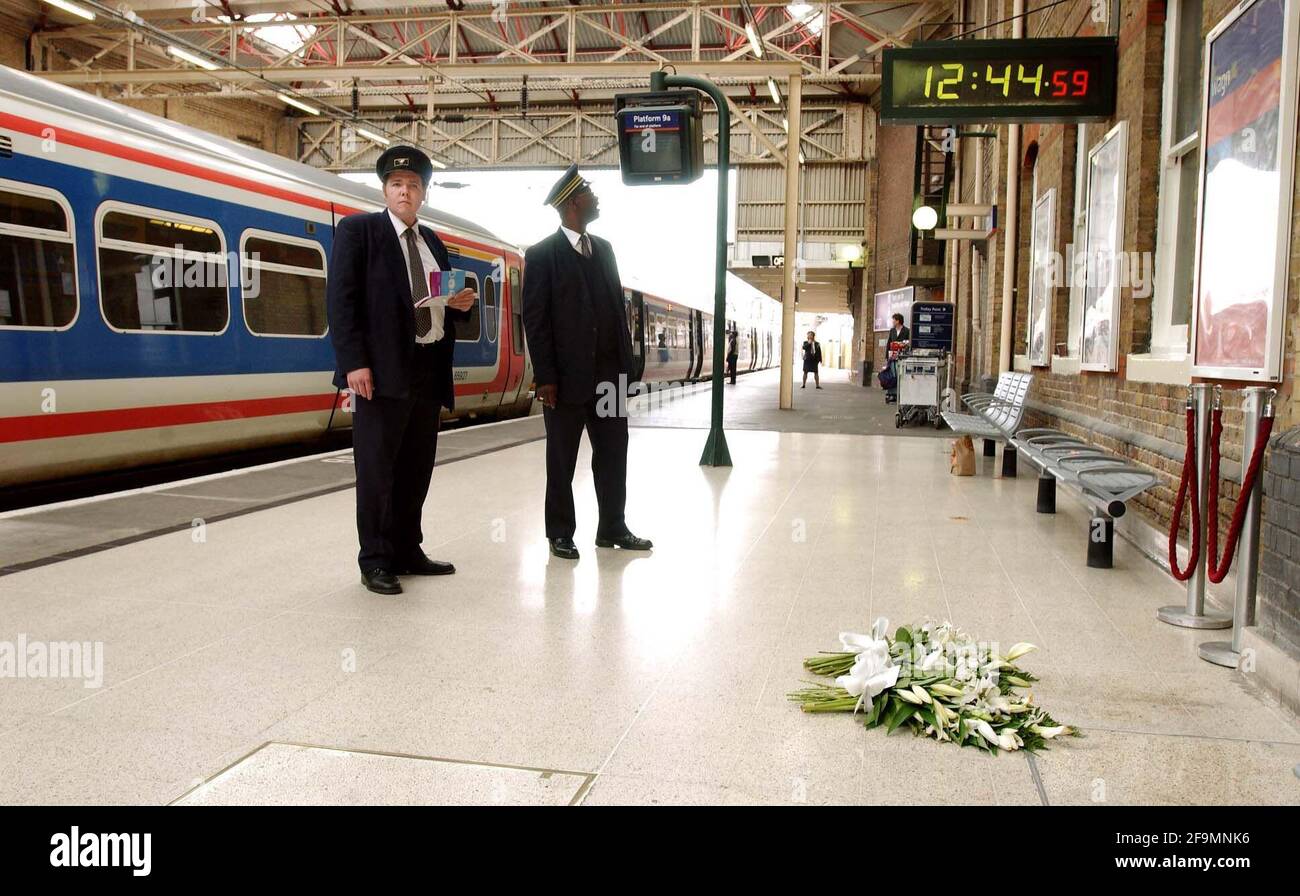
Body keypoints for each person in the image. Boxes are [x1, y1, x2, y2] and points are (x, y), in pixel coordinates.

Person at [326, 145, 478, 596]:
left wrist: (460, 305)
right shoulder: (359, 232)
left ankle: (407, 549)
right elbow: (341, 301)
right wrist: (354, 362)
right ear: (384, 190)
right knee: (377, 470)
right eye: (396, 185)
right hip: (380, 371)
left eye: (413, 185)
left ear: (424, 193)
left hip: (427, 368)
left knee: (416, 467)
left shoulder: (431, 241)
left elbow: (438, 303)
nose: (404, 192)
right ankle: (374, 559)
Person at [521, 165, 653, 561]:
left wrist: (628, 370)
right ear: (573, 203)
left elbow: (615, 312)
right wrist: (545, 376)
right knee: (561, 459)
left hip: (609, 380)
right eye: (590, 194)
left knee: (614, 453)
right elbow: (536, 319)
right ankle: (560, 532)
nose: (596, 199)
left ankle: (613, 526)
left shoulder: (606, 250)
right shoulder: (542, 255)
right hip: (563, 381)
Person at [884, 313, 911, 404]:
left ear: (898, 321)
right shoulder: (892, 331)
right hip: (892, 356)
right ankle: (892, 394)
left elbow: (909, 343)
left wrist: (904, 345)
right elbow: (889, 343)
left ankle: (901, 394)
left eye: (893, 320)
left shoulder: (907, 331)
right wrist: (887, 357)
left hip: (903, 357)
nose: (892, 322)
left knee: (901, 375)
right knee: (893, 374)